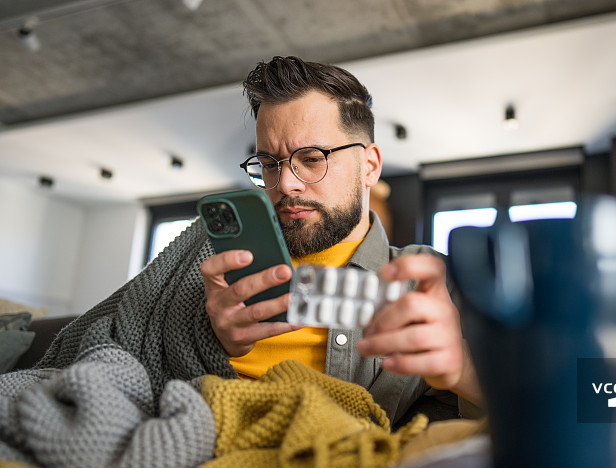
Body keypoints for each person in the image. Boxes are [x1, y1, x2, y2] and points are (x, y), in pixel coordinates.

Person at [200, 56, 481, 422]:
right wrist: (206, 340)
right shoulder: (214, 272)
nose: (285, 183)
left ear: (370, 167)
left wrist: (463, 370)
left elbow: (577, 400)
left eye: (312, 158)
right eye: (269, 164)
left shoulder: (431, 281)